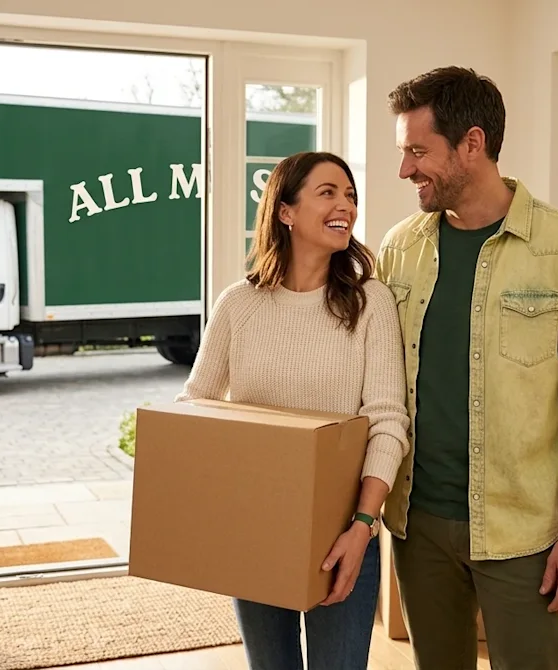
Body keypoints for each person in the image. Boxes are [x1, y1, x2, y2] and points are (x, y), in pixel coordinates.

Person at [375, 66, 558, 669]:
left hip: (524, 532)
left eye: (417, 150)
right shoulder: (399, 249)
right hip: (418, 525)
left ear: (472, 143)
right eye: (402, 151)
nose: (404, 169)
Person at [175, 151, 410, 670]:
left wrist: (364, 526)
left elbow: (388, 421)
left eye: (350, 195)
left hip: (343, 534)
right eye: (328, 192)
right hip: (255, 529)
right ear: (285, 211)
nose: (345, 205)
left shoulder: (370, 303)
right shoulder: (238, 304)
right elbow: (196, 406)